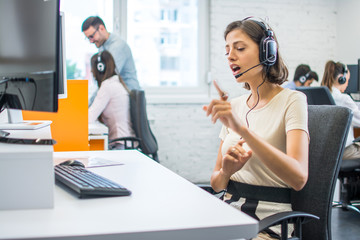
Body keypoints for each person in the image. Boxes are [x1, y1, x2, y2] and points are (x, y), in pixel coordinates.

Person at [203, 18, 309, 240]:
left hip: (269, 223)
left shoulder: (293, 101)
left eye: (240, 48)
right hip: (227, 215)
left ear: (267, 52)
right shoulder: (235, 106)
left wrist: (242, 130)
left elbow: (299, 178)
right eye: (228, 50)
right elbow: (216, 183)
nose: (231, 55)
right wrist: (227, 171)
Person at [89, 50, 135, 150]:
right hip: (124, 142)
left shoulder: (108, 86)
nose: (92, 72)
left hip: (120, 144)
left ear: (100, 68)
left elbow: (90, 117)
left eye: (92, 68)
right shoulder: (115, 83)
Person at [82, 16, 140, 91]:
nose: (91, 41)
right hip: (117, 94)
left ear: (101, 28)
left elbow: (107, 79)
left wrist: (91, 101)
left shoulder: (117, 47)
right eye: (88, 38)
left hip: (129, 95)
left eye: (92, 36)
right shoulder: (102, 46)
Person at [321, 60, 360, 160]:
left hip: (327, 151)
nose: (347, 84)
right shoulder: (343, 99)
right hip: (345, 151)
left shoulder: (323, 94)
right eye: (347, 80)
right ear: (341, 79)